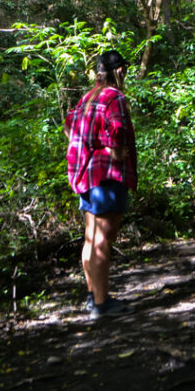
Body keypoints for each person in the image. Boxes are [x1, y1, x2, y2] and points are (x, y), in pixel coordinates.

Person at [64, 50, 138, 318]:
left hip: (84, 175)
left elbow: (68, 126)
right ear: (119, 71)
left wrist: (94, 146)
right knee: (102, 241)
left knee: (91, 238)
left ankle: (92, 295)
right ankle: (101, 303)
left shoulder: (88, 96)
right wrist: (114, 151)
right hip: (106, 177)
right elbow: (116, 129)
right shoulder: (114, 96)